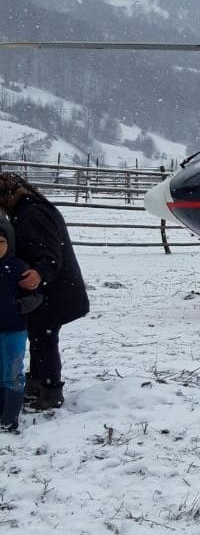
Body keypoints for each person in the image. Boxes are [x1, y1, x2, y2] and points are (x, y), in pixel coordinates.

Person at [0, 172, 90, 410]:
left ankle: (51, 391)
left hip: (55, 291)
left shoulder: (32, 215)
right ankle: (38, 382)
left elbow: (50, 255)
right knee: (40, 335)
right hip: (54, 290)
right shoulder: (31, 208)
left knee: (44, 337)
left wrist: (39, 273)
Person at [0, 219, 37, 432]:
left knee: (13, 372)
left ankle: (10, 417)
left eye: (1, 241)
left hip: (14, 329)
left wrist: (20, 306)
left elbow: (35, 295)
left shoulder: (18, 268)